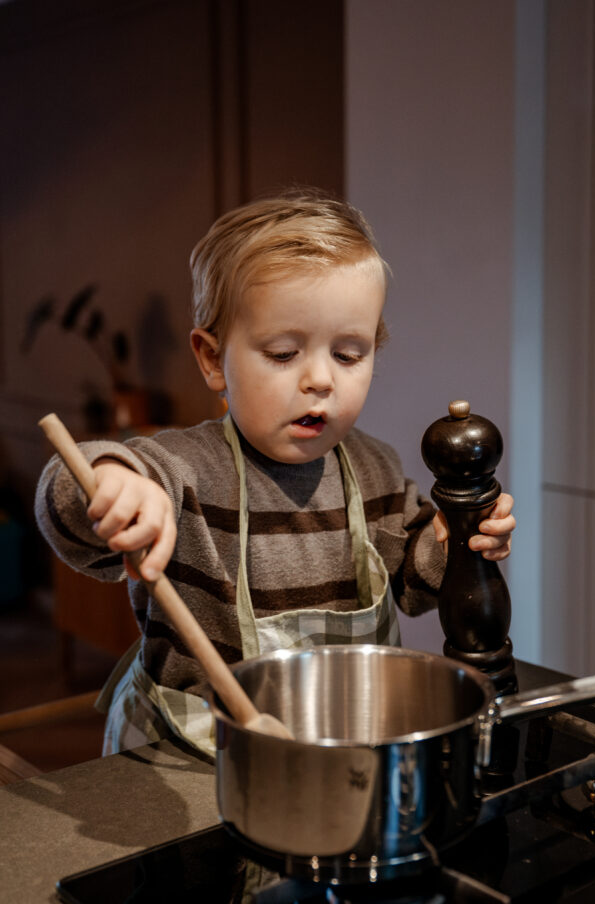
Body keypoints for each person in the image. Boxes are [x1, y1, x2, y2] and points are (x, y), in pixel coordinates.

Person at [35, 190, 515, 757]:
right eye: (284, 353)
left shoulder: (374, 468)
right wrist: (115, 482)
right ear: (212, 359)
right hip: (189, 753)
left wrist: (457, 543)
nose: (321, 380)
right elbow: (70, 495)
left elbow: (413, 584)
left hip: (335, 745)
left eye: (349, 354)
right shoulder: (184, 470)